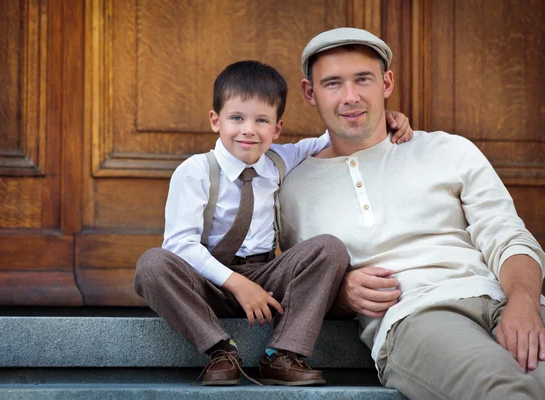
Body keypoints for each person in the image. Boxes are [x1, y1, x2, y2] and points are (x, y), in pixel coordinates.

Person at [279, 27, 545, 399]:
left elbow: (507, 235)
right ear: (311, 93)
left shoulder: (449, 150)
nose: (350, 97)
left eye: (363, 80)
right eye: (333, 83)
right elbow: (302, 280)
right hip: (416, 316)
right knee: (504, 391)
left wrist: (524, 301)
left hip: (502, 297)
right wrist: (341, 293)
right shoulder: (291, 192)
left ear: (386, 83)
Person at [133, 60, 413, 386]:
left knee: (329, 248)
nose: (249, 129)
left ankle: (282, 354)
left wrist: (387, 118)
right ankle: (220, 351)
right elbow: (180, 245)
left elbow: (330, 136)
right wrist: (238, 285)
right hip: (207, 281)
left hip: (266, 276)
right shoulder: (195, 171)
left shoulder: (279, 160)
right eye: (236, 118)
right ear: (216, 120)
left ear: (277, 128)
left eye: (261, 120)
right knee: (152, 264)